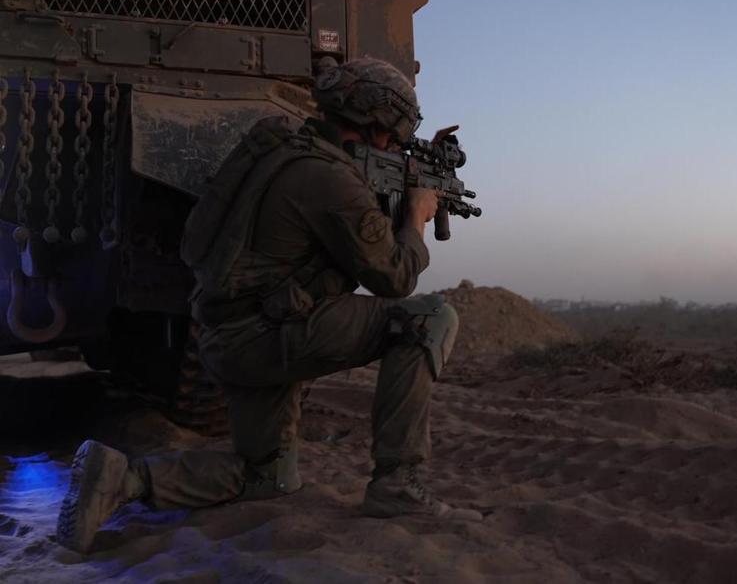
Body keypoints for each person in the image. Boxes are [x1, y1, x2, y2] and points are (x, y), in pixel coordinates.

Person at [56, 57, 481, 554]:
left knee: (266, 477)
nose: (393, 143)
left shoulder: (283, 150)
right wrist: (416, 217)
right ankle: (397, 483)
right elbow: (395, 278)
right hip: (269, 335)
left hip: (228, 336)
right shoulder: (331, 179)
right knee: (429, 318)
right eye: (393, 133)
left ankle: (124, 480)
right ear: (373, 123)